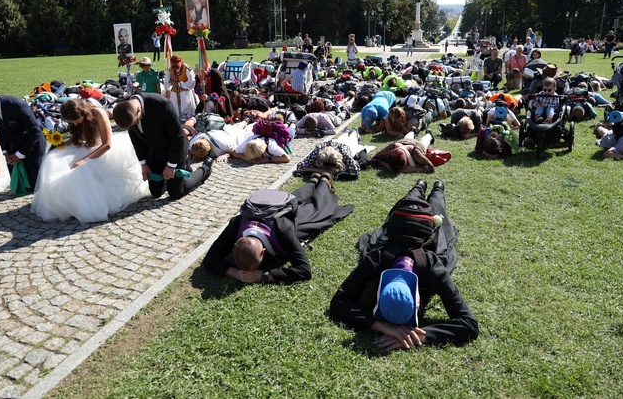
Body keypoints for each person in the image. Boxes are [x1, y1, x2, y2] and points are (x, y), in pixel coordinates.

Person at [330, 180, 479, 349]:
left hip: (424, 235)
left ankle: (437, 188)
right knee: (411, 203)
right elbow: (339, 302)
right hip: (401, 231)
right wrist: (385, 327)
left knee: (437, 210)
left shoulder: (431, 267)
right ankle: (419, 186)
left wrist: (413, 335)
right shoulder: (377, 259)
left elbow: (469, 325)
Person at [202, 176, 354, 284]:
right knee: (296, 199)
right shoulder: (235, 225)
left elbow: (304, 270)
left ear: (263, 252)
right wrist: (234, 272)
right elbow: (209, 259)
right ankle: (313, 180)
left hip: (279, 217)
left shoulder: (283, 229)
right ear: (235, 242)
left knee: (315, 211)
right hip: (271, 210)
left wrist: (263, 275)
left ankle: (323, 181)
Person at [31, 99, 148, 223]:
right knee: (53, 158)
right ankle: (62, 201)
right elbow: (74, 139)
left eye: (75, 121)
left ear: (82, 114)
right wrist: (61, 145)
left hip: (102, 150)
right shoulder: (75, 122)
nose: (74, 124)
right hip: (85, 147)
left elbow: (107, 144)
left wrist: (84, 160)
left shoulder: (98, 113)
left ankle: (82, 204)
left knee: (81, 171)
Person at [112, 93, 212, 200]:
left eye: (135, 122)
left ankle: (204, 169)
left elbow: (177, 137)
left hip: (173, 150)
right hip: (154, 153)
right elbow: (136, 140)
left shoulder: (162, 104)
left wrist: (171, 166)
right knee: (155, 193)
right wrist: (143, 164)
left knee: (176, 193)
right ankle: (173, 177)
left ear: (138, 110)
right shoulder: (124, 108)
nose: (134, 126)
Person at [164, 55, 197, 121]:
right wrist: (171, 81)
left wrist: (179, 84)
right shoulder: (171, 69)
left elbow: (191, 83)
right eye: (173, 65)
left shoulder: (187, 68)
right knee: (175, 109)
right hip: (175, 92)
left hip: (185, 92)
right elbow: (166, 81)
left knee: (186, 109)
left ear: (180, 62)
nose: (175, 67)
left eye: (176, 65)